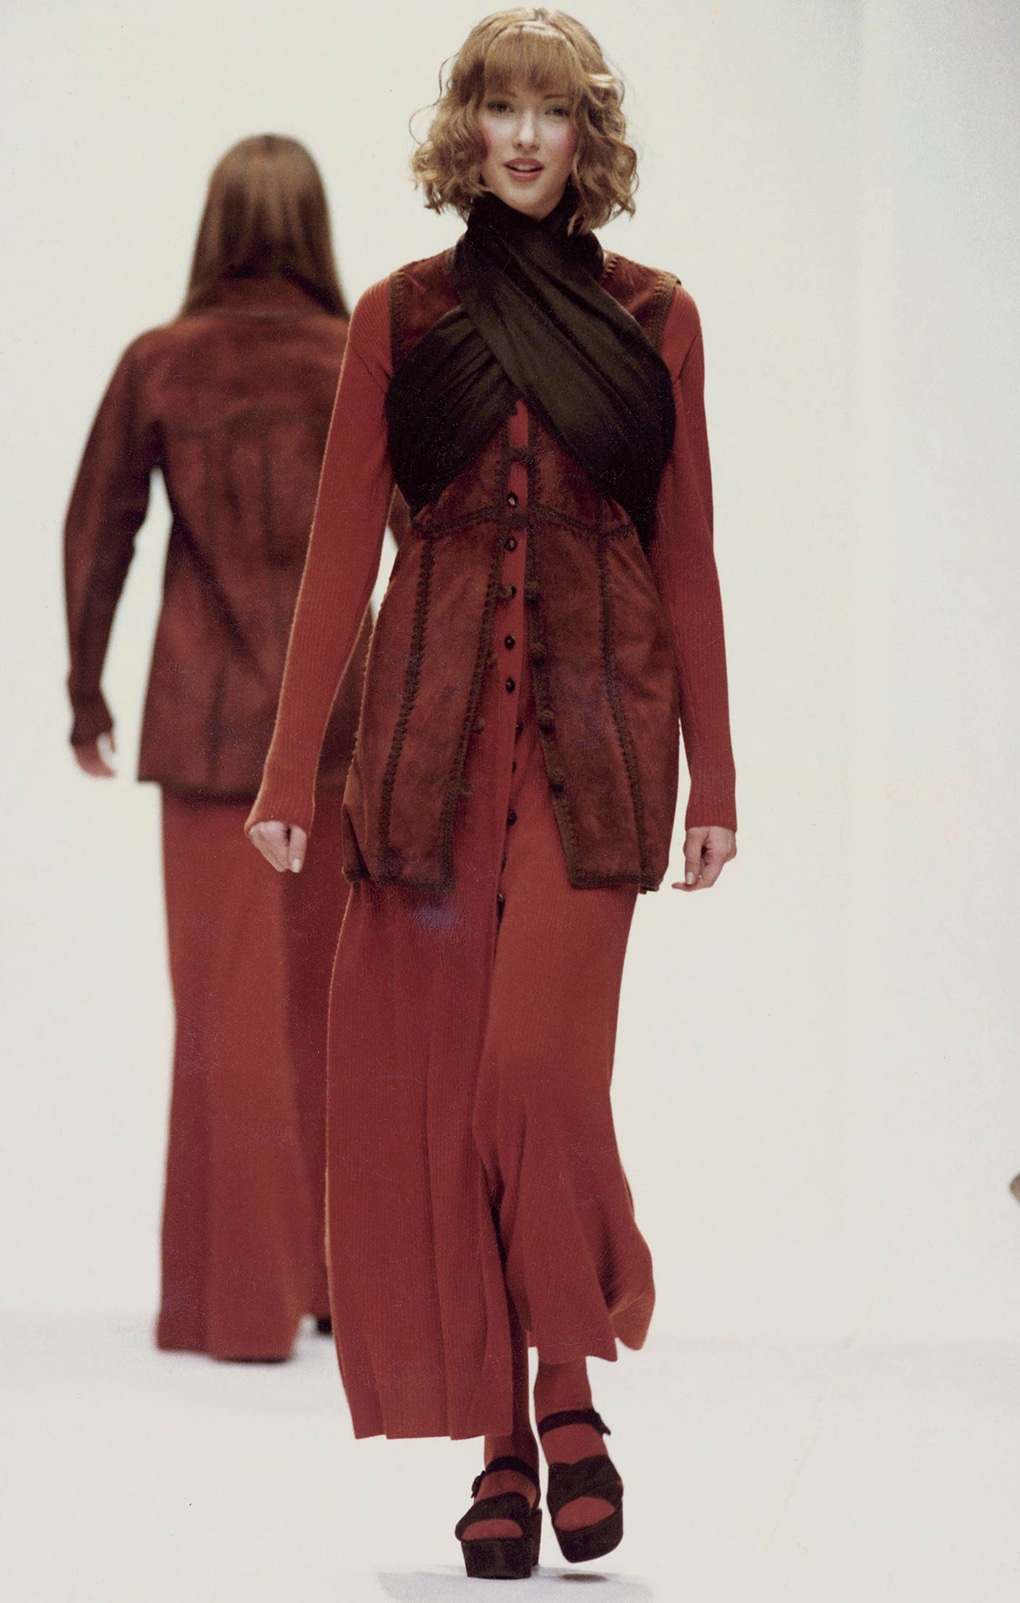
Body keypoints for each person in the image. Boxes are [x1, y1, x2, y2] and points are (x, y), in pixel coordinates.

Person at [249, 8, 737, 1577]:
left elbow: (687, 553)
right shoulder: (400, 314)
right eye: (500, 109)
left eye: (553, 112)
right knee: (453, 1100)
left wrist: (719, 772)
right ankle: (505, 1446)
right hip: (427, 746)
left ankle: (567, 1385)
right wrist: (289, 768)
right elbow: (342, 546)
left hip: (600, 745)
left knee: (534, 1076)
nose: (525, 138)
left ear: (588, 137)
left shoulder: (657, 317)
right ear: (466, 130)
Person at [64, 134, 373, 1362]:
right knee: (334, 1007)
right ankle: (340, 1284)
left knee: (223, 1010)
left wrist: (85, 690)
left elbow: (98, 530)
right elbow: (426, 535)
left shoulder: (163, 361)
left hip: (202, 728)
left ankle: (230, 1302)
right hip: (342, 726)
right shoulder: (363, 359)